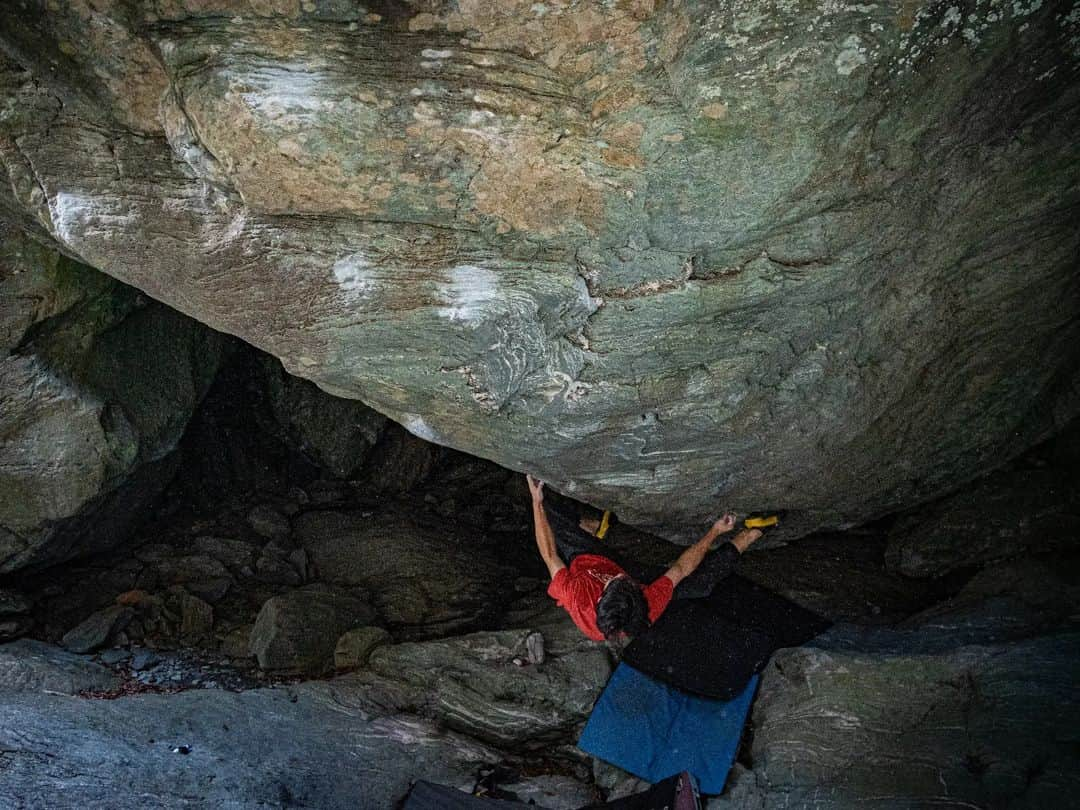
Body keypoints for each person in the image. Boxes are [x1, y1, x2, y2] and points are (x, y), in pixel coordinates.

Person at [526, 475, 762, 644]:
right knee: (699, 585)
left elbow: (549, 553)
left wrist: (536, 501)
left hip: (585, 558)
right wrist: (716, 531)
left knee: (548, 510)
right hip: (632, 577)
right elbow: (680, 568)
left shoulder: (577, 595)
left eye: (615, 582)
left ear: (600, 600)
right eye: (622, 583)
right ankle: (747, 538)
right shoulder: (649, 602)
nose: (618, 576)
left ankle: (591, 526)